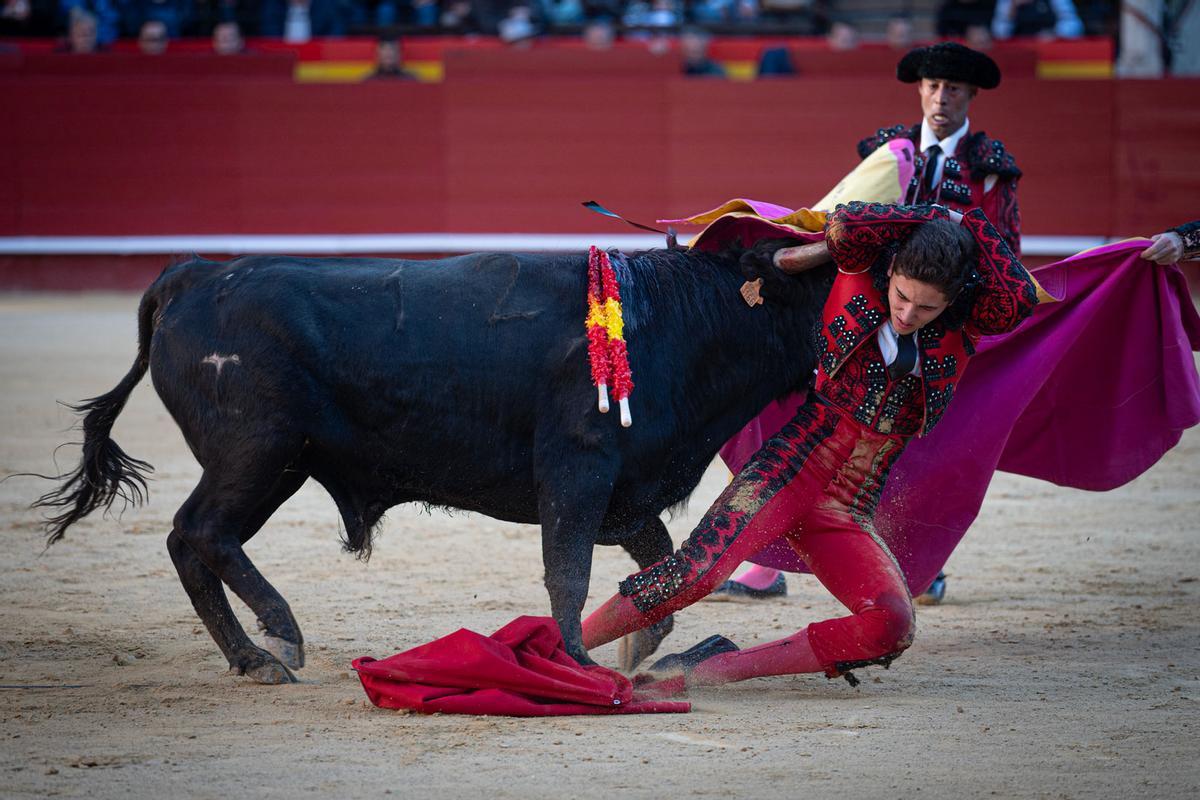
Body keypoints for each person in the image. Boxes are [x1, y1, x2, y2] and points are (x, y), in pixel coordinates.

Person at [581, 201, 1039, 691]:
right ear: (892, 272)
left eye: (927, 307)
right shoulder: (859, 272)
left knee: (891, 624)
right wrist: (924, 216)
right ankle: (565, 643)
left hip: (848, 509)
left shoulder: (965, 326)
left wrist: (967, 224)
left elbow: (1018, 297)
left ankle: (706, 670)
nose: (907, 314)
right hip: (788, 472)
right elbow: (847, 223)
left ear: (953, 300)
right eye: (902, 295)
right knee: (696, 574)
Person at [714, 42, 1024, 605]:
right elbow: (843, 218)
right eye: (932, 85)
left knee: (911, 450)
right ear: (919, 90)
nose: (940, 97)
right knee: (799, 423)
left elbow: (1003, 255)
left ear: (971, 96)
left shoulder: (993, 171)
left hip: (936, 334)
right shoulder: (888, 152)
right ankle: (765, 559)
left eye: (952, 88)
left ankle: (917, 562)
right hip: (858, 320)